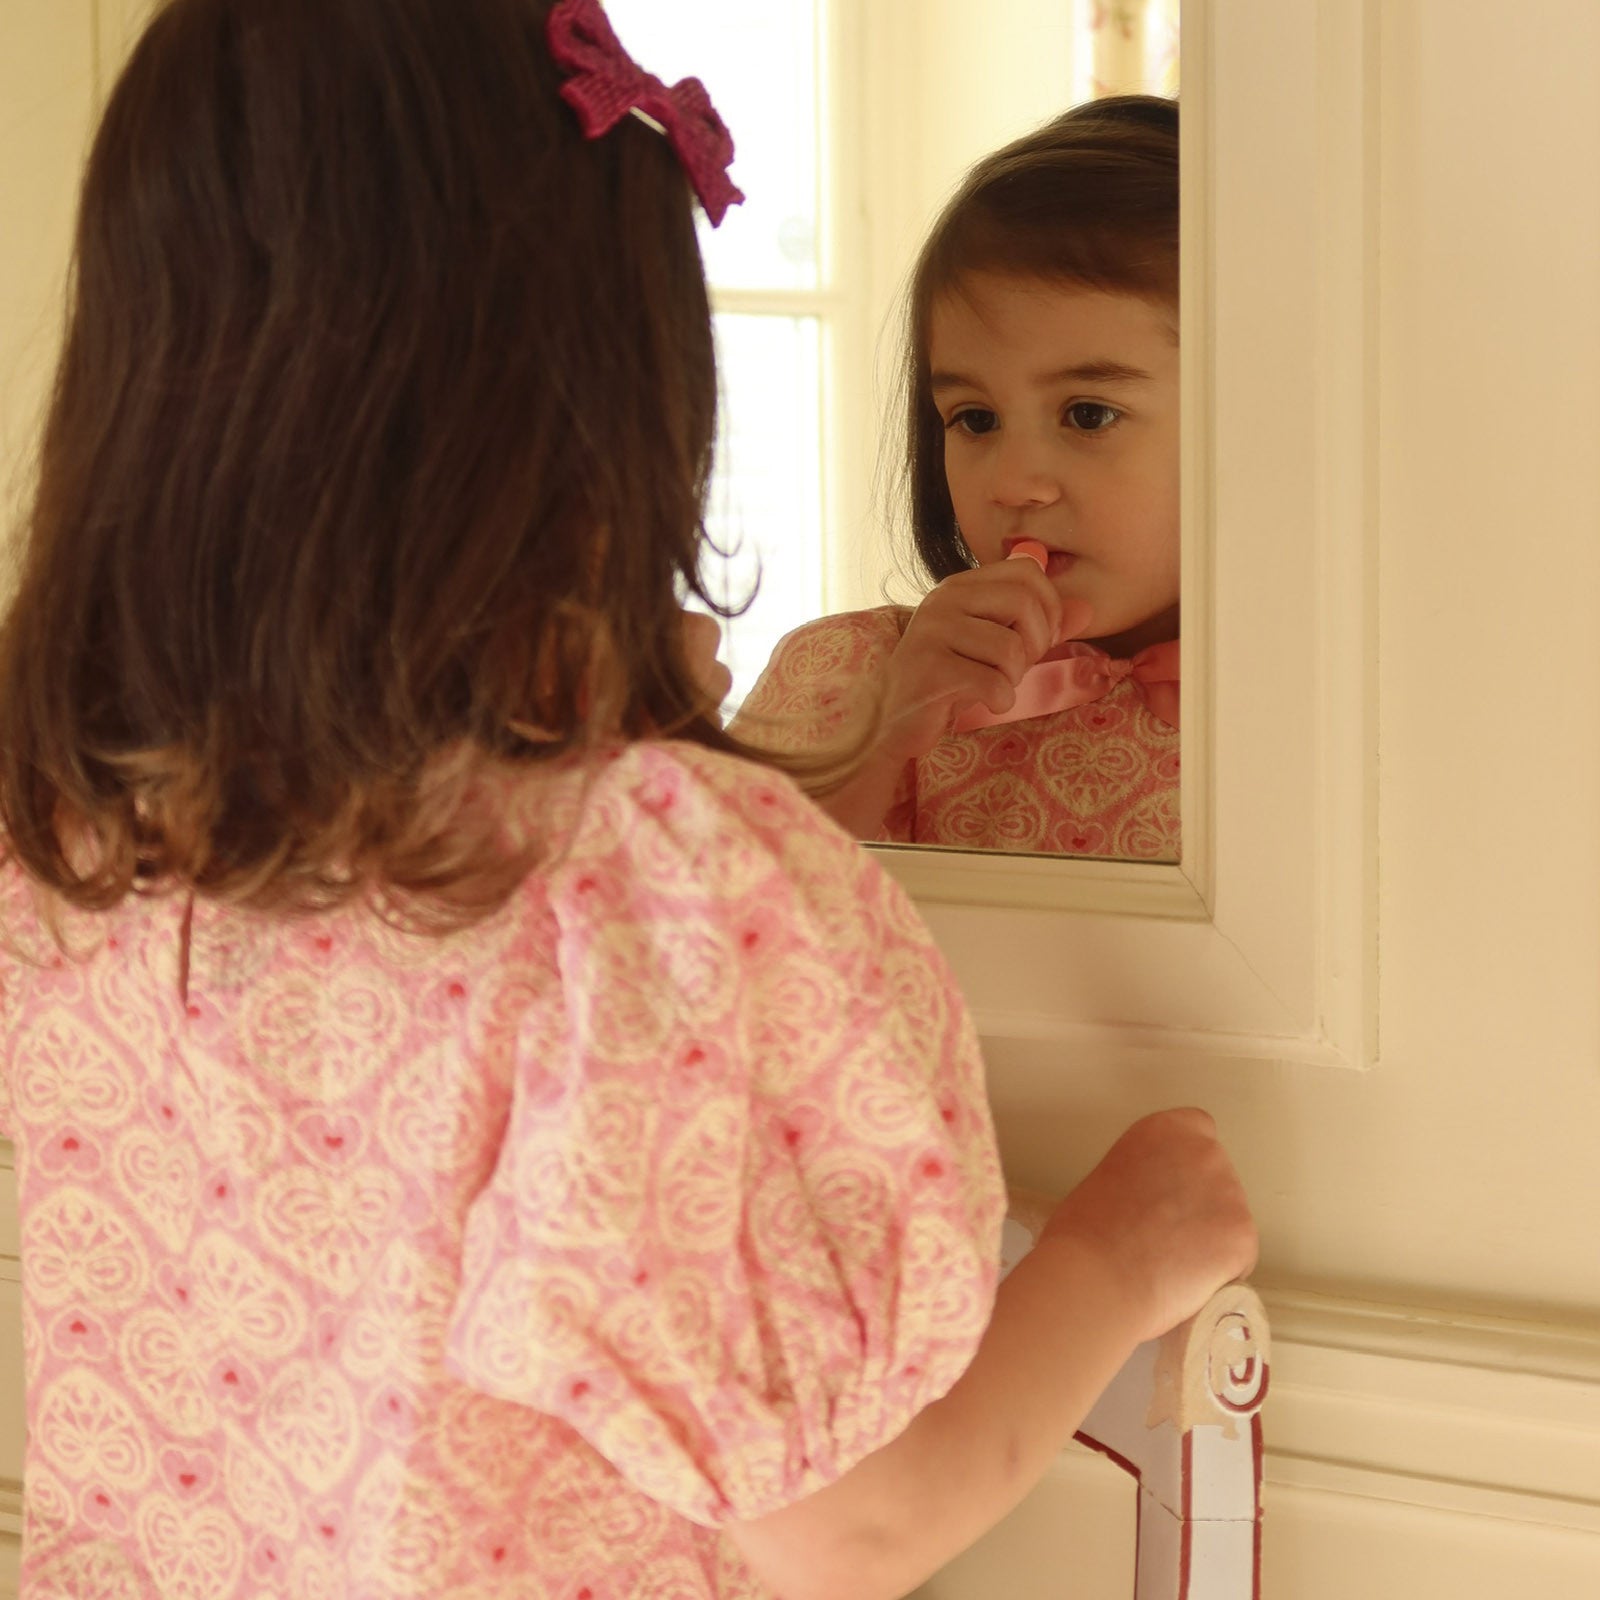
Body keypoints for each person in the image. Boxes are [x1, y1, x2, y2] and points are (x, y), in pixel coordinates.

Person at [0, 5, 1252, 1595]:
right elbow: (856, 1527)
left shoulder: (74, 826)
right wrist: (1121, 1252)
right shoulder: (633, 882)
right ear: (603, 378)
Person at [735, 97, 1182, 860]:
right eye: (974, 419)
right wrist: (879, 743)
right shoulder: (848, 678)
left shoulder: (1342, 709)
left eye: (1087, 415)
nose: (1013, 483)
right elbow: (725, 915)